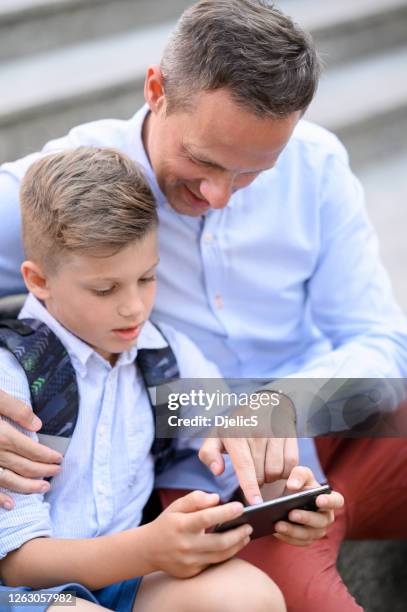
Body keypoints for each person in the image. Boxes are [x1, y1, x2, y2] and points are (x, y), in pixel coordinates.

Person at [0, 0, 405, 610]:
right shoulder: (62, 187)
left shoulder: (316, 164)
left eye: (251, 175)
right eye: (204, 162)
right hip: (211, 472)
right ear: (156, 88)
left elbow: (383, 343)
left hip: (327, 419)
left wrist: (279, 407)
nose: (219, 196)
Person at [0, 145, 317, 611]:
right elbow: (15, 563)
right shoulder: (15, 376)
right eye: (105, 289)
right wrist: (146, 549)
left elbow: (232, 452)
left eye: (147, 279)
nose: (133, 308)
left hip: (125, 574)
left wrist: (283, 494)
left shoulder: (165, 356)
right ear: (38, 280)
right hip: (26, 592)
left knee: (251, 597)